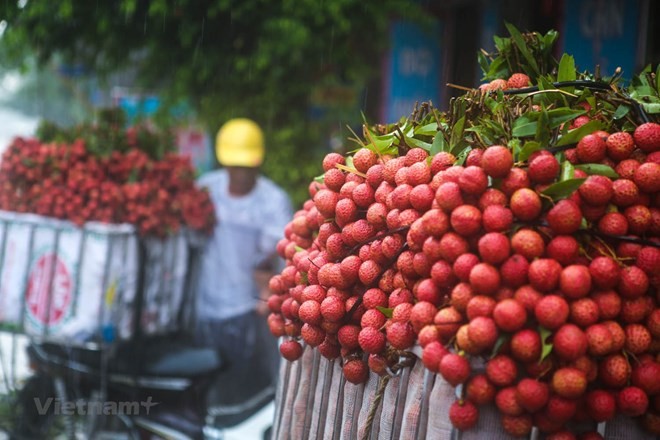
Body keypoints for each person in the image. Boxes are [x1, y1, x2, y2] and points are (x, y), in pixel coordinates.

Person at [194, 118, 293, 424]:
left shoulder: (273, 202)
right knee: (204, 389)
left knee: (243, 394)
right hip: (206, 307)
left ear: (257, 164)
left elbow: (277, 256)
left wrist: (267, 290)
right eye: (233, 166)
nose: (239, 174)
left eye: (245, 167)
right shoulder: (206, 189)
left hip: (247, 313)